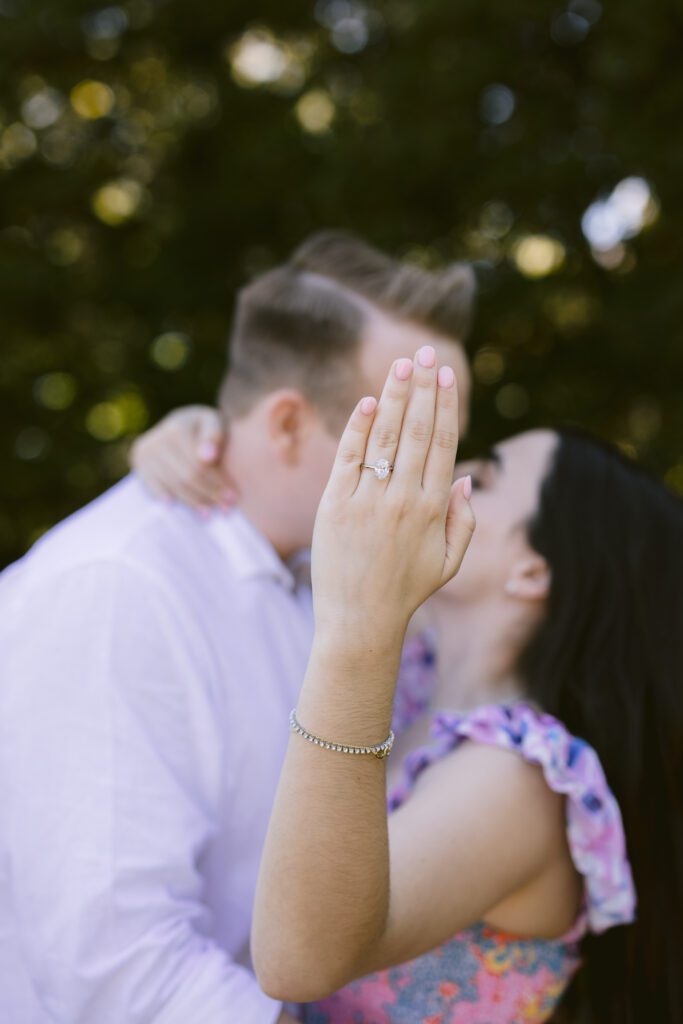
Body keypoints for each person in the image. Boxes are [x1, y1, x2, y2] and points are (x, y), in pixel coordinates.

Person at [0, 234, 474, 1024]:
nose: (434, 479)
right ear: (286, 424)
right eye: (407, 438)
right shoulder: (120, 590)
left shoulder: (329, 583)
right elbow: (121, 973)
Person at [244, 350, 682, 1023]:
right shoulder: (411, 684)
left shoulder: (518, 779)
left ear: (532, 572)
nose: (443, 476)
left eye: (481, 475)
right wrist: (203, 441)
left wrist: (360, 624)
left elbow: (296, 962)